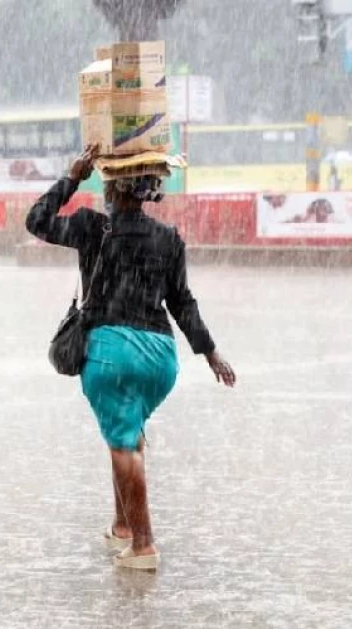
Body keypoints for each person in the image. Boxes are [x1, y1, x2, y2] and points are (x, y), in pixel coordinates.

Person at [25, 145, 236, 571]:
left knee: (124, 448)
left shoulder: (91, 228)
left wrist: (71, 177)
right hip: (160, 358)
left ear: (112, 188)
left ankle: (143, 545)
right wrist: (210, 351)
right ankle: (123, 525)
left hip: (110, 354)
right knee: (129, 433)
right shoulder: (168, 239)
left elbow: (37, 222)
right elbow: (182, 303)